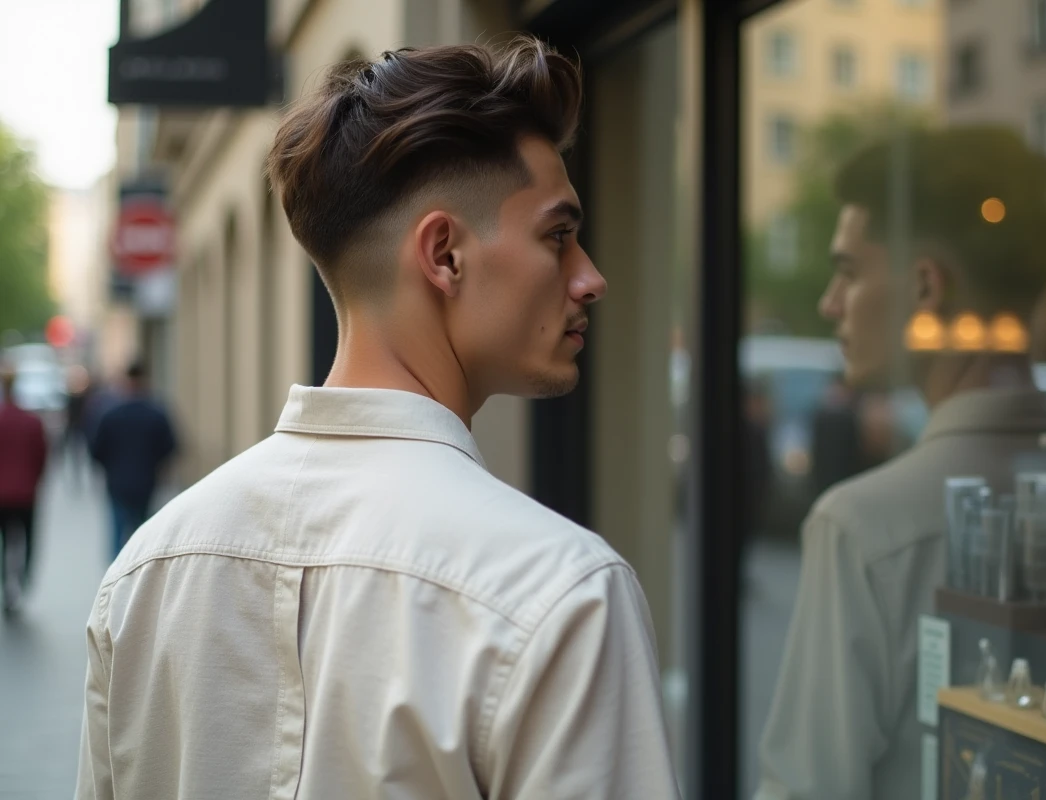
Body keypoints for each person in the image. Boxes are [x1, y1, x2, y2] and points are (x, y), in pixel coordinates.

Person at [76, 37, 680, 799]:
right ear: (445, 255)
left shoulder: (145, 573)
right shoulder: (561, 594)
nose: (590, 278)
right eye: (558, 236)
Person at [756, 126, 1046, 800]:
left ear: (926, 287)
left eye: (848, 272)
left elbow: (807, 788)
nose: (829, 303)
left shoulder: (862, 525)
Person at [88, 362, 177, 559]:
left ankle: (117, 573)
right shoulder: (156, 414)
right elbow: (171, 447)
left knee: (117, 532)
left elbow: (96, 450)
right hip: (146, 481)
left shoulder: (111, 415)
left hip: (117, 482)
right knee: (143, 534)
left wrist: (110, 467)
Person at [0, 363, 48, 615]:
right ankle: (22, 579)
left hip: (2, 495)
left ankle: (6, 583)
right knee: (28, 538)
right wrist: (34, 479)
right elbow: (41, 456)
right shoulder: (32, 421)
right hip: (26, 493)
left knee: (4, 541)